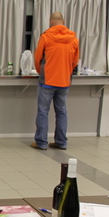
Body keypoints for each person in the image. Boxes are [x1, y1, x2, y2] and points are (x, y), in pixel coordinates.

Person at [31, 12, 79, 150]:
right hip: (64, 81)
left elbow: (37, 58)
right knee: (62, 112)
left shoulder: (46, 37)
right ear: (63, 21)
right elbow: (75, 61)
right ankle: (61, 142)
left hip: (47, 81)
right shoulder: (74, 39)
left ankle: (41, 142)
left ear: (51, 22)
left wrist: (41, 73)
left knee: (43, 112)